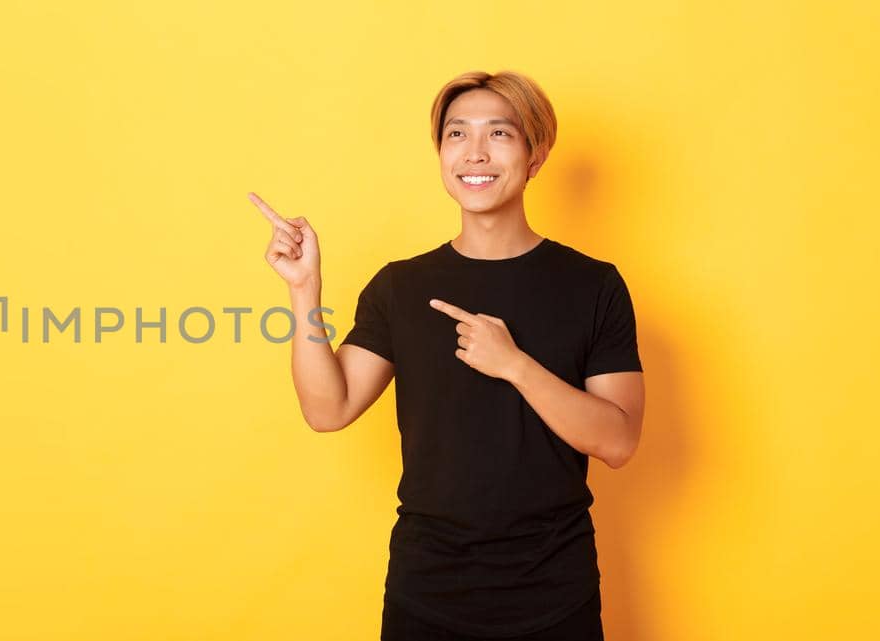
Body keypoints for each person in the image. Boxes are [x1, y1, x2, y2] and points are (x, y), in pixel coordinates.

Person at [248, 70, 645, 640]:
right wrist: (303, 290)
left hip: (554, 589)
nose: (475, 152)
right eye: (457, 135)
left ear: (536, 156)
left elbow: (619, 441)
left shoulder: (593, 285)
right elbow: (327, 409)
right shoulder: (400, 287)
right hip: (427, 586)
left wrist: (515, 365)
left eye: (500, 134)